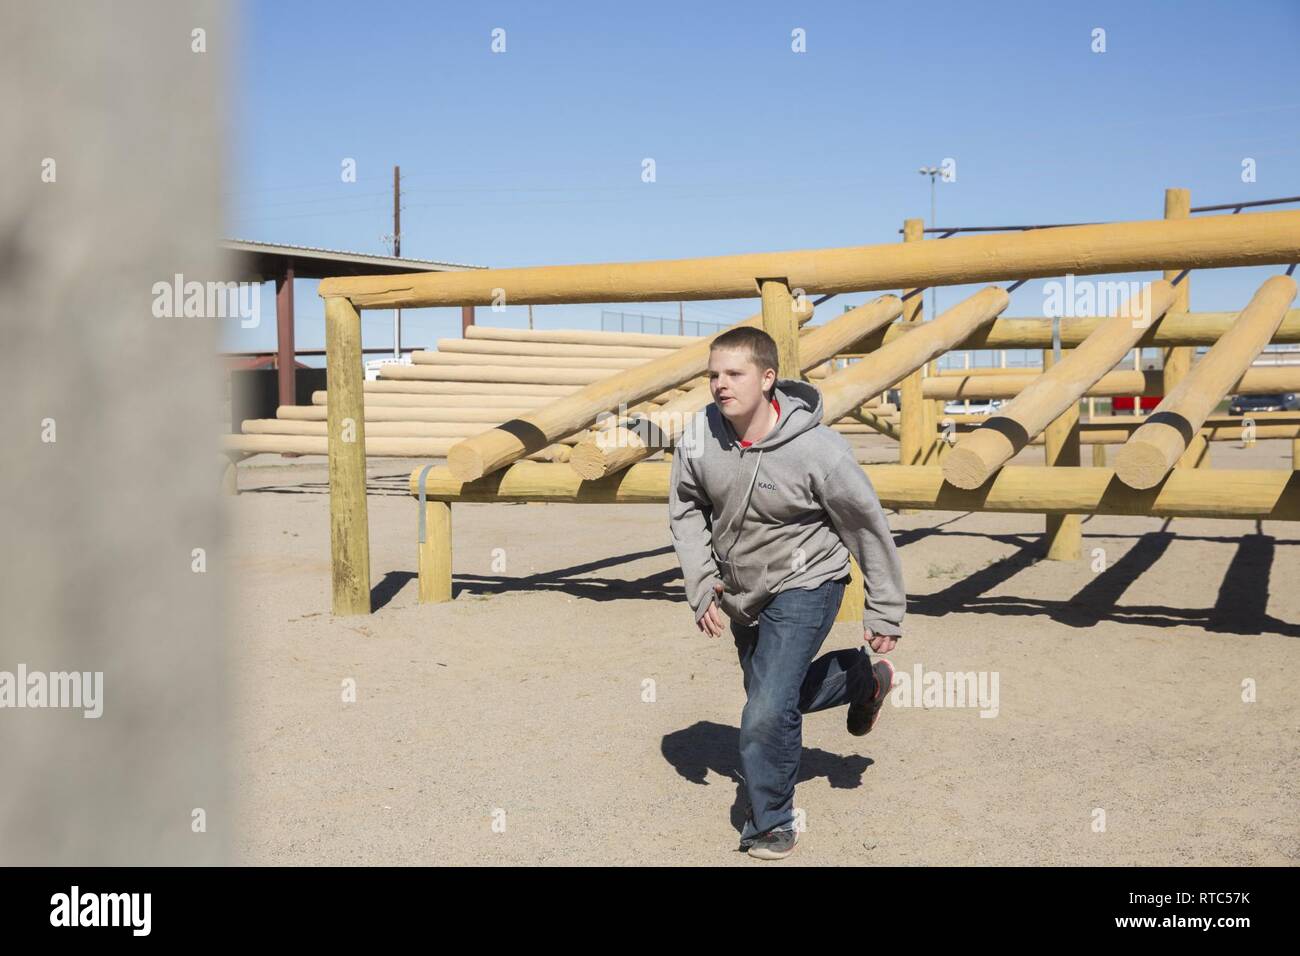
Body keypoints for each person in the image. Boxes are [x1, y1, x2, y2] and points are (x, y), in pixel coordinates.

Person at [668, 326, 907, 861]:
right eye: (713, 374)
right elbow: (685, 511)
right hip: (741, 589)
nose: (720, 385)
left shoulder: (817, 449)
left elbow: (866, 526)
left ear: (768, 378)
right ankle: (862, 678)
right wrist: (701, 583)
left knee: (766, 710)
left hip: (808, 580)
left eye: (735, 374)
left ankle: (771, 822)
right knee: (772, 701)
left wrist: (885, 609)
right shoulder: (699, 436)